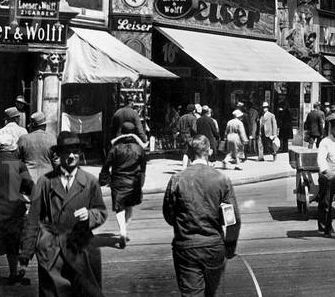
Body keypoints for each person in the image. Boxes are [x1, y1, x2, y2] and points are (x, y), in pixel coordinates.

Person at [20, 132, 108, 295]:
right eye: (67, 152)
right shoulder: (45, 182)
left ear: (80, 154)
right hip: (52, 252)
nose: (71, 156)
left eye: (75, 151)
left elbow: (101, 211)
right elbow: (33, 218)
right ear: (58, 154)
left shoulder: (90, 181)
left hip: (82, 250)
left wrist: (90, 215)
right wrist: (25, 255)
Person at [163, 135, 241, 297]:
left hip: (186, 247)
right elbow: (234, 220)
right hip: (214, 246)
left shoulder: (177, 179)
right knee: (213, 292)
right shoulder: (222, 179)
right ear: (209, 152)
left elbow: (169, 215)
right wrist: (230, 246)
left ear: (189, 154)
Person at [99, 120, 147, 247]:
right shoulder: (139, 149)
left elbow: (106, 165)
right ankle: (124, 230)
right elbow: (143, 168)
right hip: (134, 182)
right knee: (130, 207)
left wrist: (104, 178)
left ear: (122, 133)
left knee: (119, 208)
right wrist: (141, 182)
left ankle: (122, 231)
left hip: (118, 182)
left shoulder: (115, 148)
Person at [0, 133, 33, 286]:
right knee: (12, 244)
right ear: (13, 148)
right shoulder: (19, 165)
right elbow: (30, 186)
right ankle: (13, 273)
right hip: (13, 211)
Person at [18, 112, 56, 183]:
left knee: (26, 194)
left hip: (27, 177)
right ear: (44, 125)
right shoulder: (52, 139)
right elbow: (56, 161)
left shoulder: (23, 139)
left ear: (32, 127)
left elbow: (17, 159)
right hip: (47, 177)